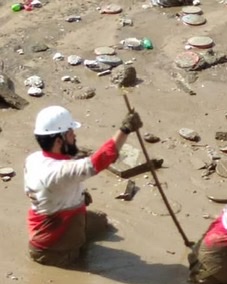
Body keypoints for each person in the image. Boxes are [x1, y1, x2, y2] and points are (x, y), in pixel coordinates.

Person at [24, 105, 143, 267]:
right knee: (82, 257)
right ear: (59, 140)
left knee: (102, 221)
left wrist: (76, 195)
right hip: (53, 250)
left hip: (46, 224)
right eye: (71, 133)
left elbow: (56, 183)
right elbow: (98, 161)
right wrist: (125, 130)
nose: (75, 136)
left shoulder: (34, 159)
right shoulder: (60, 172)